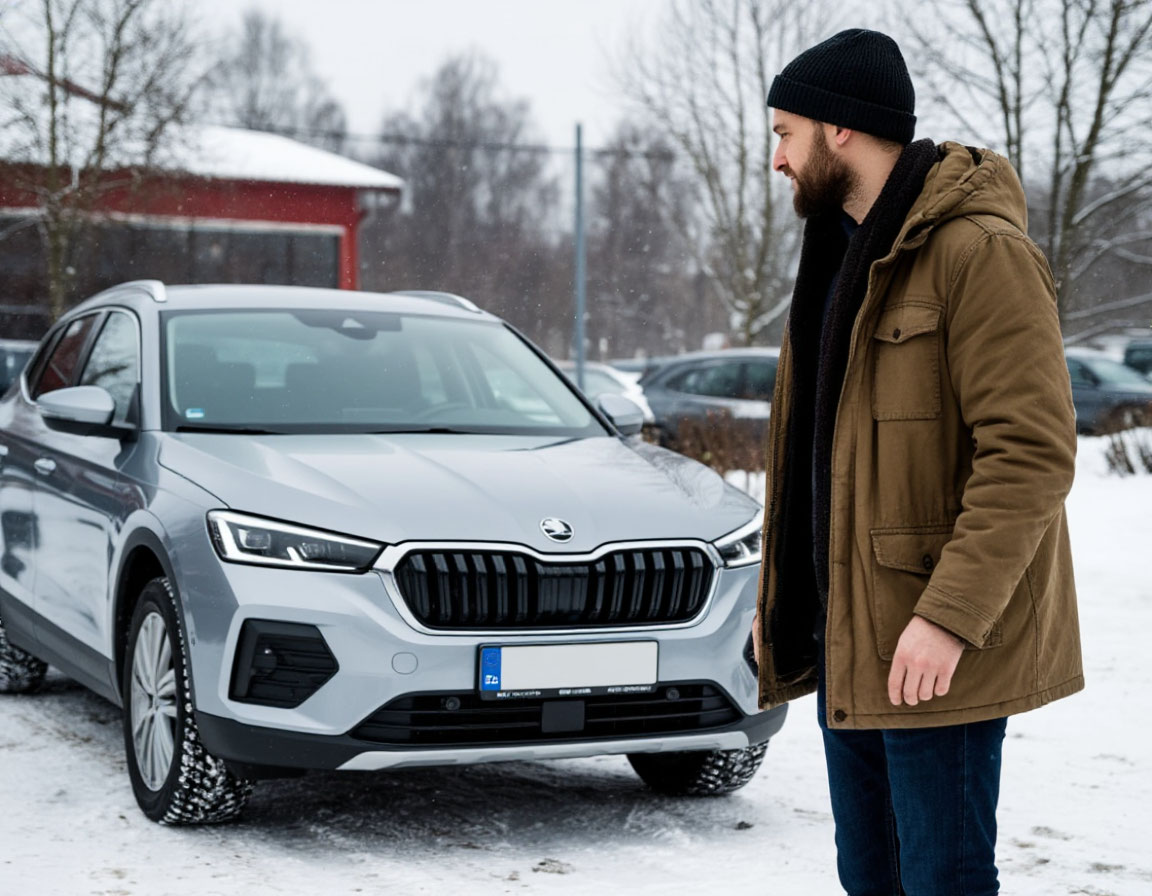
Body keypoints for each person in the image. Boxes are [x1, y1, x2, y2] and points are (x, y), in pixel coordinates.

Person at [751, 28, 1083, 896]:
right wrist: (782, 598)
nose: (777, 158)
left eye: (786, 134)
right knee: (872, 877)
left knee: (942, 880)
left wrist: (949, 617)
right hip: (848, 635)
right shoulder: (836, 258)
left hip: (934, 643)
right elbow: (819, 455)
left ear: (840, 129)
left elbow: (1031, 453)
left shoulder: (980, 253)